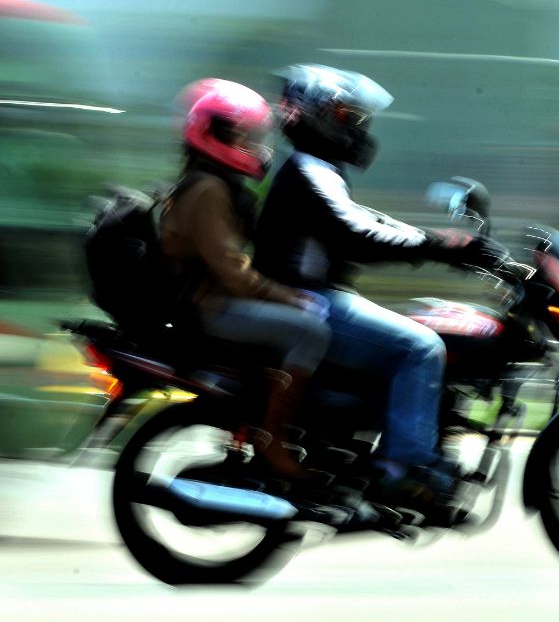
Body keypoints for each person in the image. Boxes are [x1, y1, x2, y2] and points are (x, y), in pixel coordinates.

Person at [254, 65, 510, 514]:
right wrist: (445, 247)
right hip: (308, 302)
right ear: (314, 117)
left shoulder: (315, 171)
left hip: (314, 299)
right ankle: (402, 469)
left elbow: (371, 221)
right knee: (420, 347)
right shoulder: (309, 172)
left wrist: (448, 243)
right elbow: (357, 235)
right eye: (344, 115)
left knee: (415, 326)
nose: (356, 126)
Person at [160, 78, 331, 480]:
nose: (252, 146)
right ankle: (272, 438)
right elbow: (232, 273)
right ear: (210, 133)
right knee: (311, 332)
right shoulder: (207, 189)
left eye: (252, 137)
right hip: (212, 308)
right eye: (242, 136)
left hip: (211, 301)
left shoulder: (206, 183)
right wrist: (290, 298)